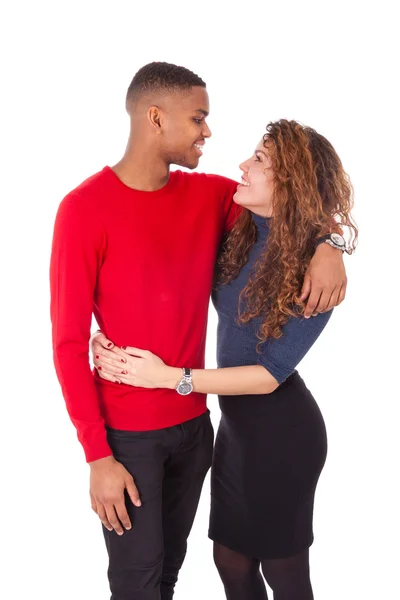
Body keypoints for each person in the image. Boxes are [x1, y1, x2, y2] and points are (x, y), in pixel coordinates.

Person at [50, 61, 349, 600]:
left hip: (210, 429)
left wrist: (331, 246)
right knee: (166, 578)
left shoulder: (213, 199)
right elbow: (69, 342)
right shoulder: (86, 209)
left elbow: (300, 204)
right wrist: (97, 455)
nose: (211, 134)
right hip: (150, 435)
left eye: (207, 120)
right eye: (199, 118)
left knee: (199, 572)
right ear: (156, 118)